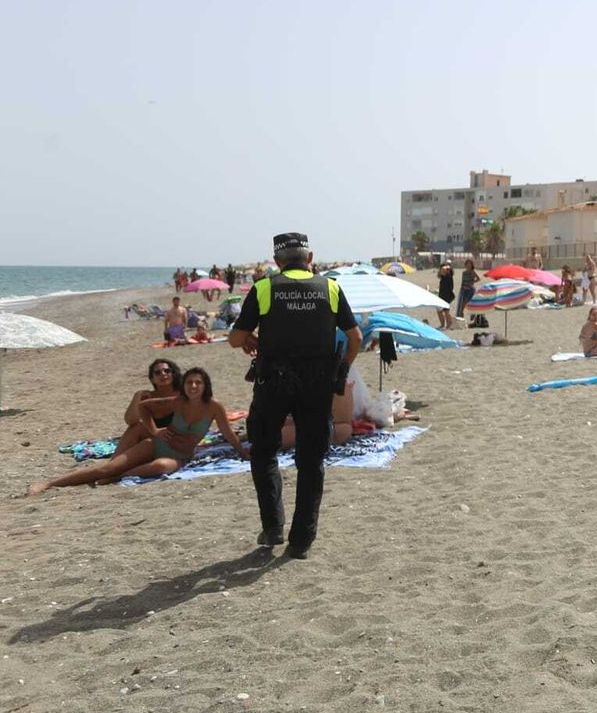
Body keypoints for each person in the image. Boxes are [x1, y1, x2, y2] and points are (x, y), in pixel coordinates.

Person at [228, 232, 361, 558]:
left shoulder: (264, 288)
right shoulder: (329, 287)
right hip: (316, 385)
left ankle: (273, 526)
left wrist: (249, 338)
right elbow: (354, 337)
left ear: (277, 261)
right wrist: (340, 370)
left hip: (273, 383)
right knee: (312, 460)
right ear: (310, 258)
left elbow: (235, 339)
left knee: (263, 450)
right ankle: (301, 540)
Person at [29, 367, 243, 494]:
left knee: (161, 466)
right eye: (189, 382)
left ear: (206, 386)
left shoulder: (214, 406)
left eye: (198, 383)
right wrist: (155, 431)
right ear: (184, 385)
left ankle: (119, 476)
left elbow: (228, 432)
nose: (193, 387)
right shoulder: (177, 401)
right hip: (156, 444)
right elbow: (144, 407)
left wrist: (243, 453)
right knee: (106, 469)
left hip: (180, 456)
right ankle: (50, 483)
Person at [108, 358, 185, 455]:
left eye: (167, 371)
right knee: (137, 427)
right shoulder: (148, 397)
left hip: (176, 438)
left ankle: (115, 463)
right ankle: (114, 461)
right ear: (152, 379)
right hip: (156, 437)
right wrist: (138, 397)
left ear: (173, 374)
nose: (163, 374)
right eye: (158, 373)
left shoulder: (183, 395)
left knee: (146, 440)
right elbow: (131, 421)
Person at [436, 262, 455, 329]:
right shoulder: (443, 275)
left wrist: (445, 267)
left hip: (447, 294)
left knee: (446, 310)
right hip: (443, 294)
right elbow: (439, 275)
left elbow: (444, 270)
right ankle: (443, 324)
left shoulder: (448, 274)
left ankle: (448, 325)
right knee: (440, 310)